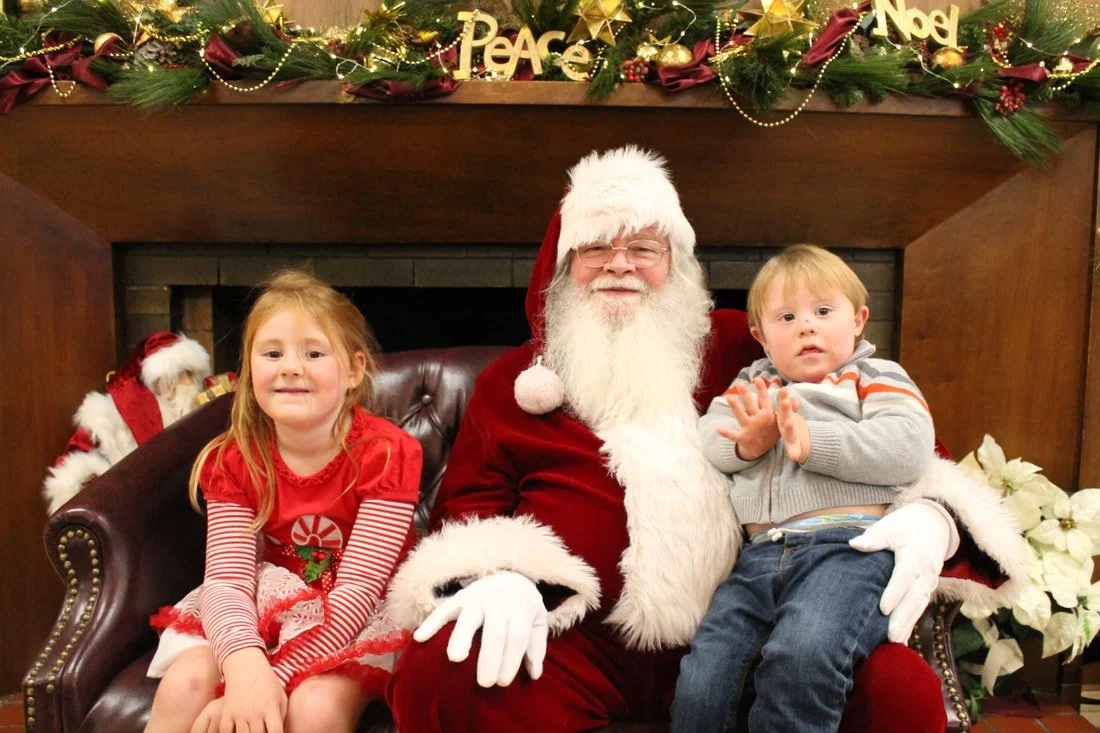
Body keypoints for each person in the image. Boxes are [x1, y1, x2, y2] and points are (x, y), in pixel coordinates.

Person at [385, 146, 1026, 731]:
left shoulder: (744, 344)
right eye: (596, 249)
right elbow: (462, 518)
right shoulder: (513, 385)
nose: (620, 266)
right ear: (560, 269)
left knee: (897, 689)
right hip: (575, 645)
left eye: (644, 247)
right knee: (438, 672)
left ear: (677, 264)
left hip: (762, 631)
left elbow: (896, 428)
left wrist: (932, 516)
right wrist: (500, 578)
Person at [671, 244, 941, 732]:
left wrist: (816, 443)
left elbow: (908, 448)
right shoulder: (751, 383)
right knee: (703, 678)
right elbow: (710, 440)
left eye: (822, 311)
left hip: (847, 551)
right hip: (757, 559)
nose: (806, 327)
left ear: (858, 319)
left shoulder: (873, 377)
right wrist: (750, 444)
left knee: (803, 654)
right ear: (761, 335)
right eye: (787, 317)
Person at [143, 270, 422, 733]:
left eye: (313, 353)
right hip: (265, 603)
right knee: (186, 683)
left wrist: (269, 679)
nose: (291, 366)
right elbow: (228, 583)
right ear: (250, 370)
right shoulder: (233, 458)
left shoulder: (388, 454)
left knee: (313, 705)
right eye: (272, 353)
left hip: (354, 613)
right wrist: (244, 669)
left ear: (353, 370)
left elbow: (357, 595)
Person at [43, 331, 212, 514]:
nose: (188, 382)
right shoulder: (109, 416)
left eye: (192, 373)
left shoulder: (206, 404)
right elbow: (72, 466)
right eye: (179, 374)